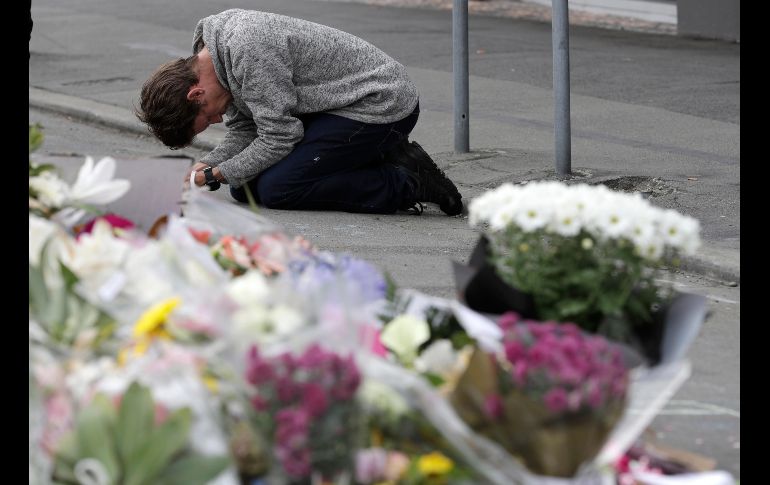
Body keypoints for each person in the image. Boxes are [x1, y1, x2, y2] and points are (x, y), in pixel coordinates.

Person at [136, 8, 463, 216]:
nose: (217, 120)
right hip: (331, 106)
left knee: (279, 188)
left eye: (206, 118)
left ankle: (407, 181)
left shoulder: (248, 50)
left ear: (195, 93)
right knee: (245, 187)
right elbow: (246, 130)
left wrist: (216, 174)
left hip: (380, 103)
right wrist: (211, 163)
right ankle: (379, 156)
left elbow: (279, 136)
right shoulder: (214, 62)